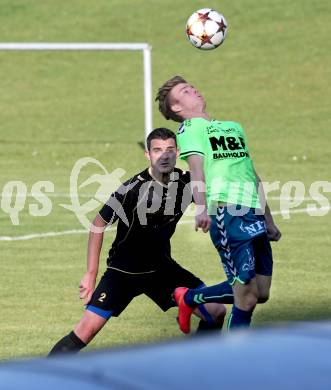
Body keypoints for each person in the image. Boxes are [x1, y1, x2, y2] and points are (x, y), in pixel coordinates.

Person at [48, 128, 226, 355]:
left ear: (178, 152)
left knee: (216, 311)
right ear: (148, 155)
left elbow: (219, 194)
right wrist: (90, 273)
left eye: (170, 150)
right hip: (123, 273)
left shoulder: (187, 182)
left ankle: (194, 369)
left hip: (162, 270)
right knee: (86, 331)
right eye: (158, 150)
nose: (164, 155)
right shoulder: (131, 190)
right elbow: (98, 224)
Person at [155, 76, 281, 333]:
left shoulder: (233, 127)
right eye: (185, 91)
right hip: (227, 212)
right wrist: (201, 207)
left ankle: (189, 298)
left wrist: (268, 216)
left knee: (261, 291)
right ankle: (236, 361)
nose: (194, 90)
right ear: (177, 108)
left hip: (252, 210)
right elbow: (196, 170)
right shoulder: (190, 129)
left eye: (191, 87)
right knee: (245, 296)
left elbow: (251, 173)